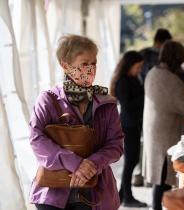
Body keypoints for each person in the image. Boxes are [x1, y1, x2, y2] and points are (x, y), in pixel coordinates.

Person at [29, 35, 124, 210]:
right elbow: (36, 139)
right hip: (52, 194)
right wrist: (76, 163)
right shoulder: (48, 100)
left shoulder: (107, 103)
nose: (91, 69)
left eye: (94, 63)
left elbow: (116, 145)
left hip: (95, 193)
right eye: (84, 64)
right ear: (65, 65)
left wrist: (93, 163)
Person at [143, 40, 184, 210]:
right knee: (163, 180)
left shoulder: (153, 72)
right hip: (164, 133)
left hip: (154, 130)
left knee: (159, 180)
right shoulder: (169, 79)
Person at [109, 51, 147, 207]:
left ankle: (121, 195)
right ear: (129, 65)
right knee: (130, 161)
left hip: (134, 124)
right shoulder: (123, 81)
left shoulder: (132, 78)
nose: (139, 70)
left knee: (132, 160)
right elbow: (127, 105)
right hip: (128, 125)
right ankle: (127, 197)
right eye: (137, 67)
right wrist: (145, 96)